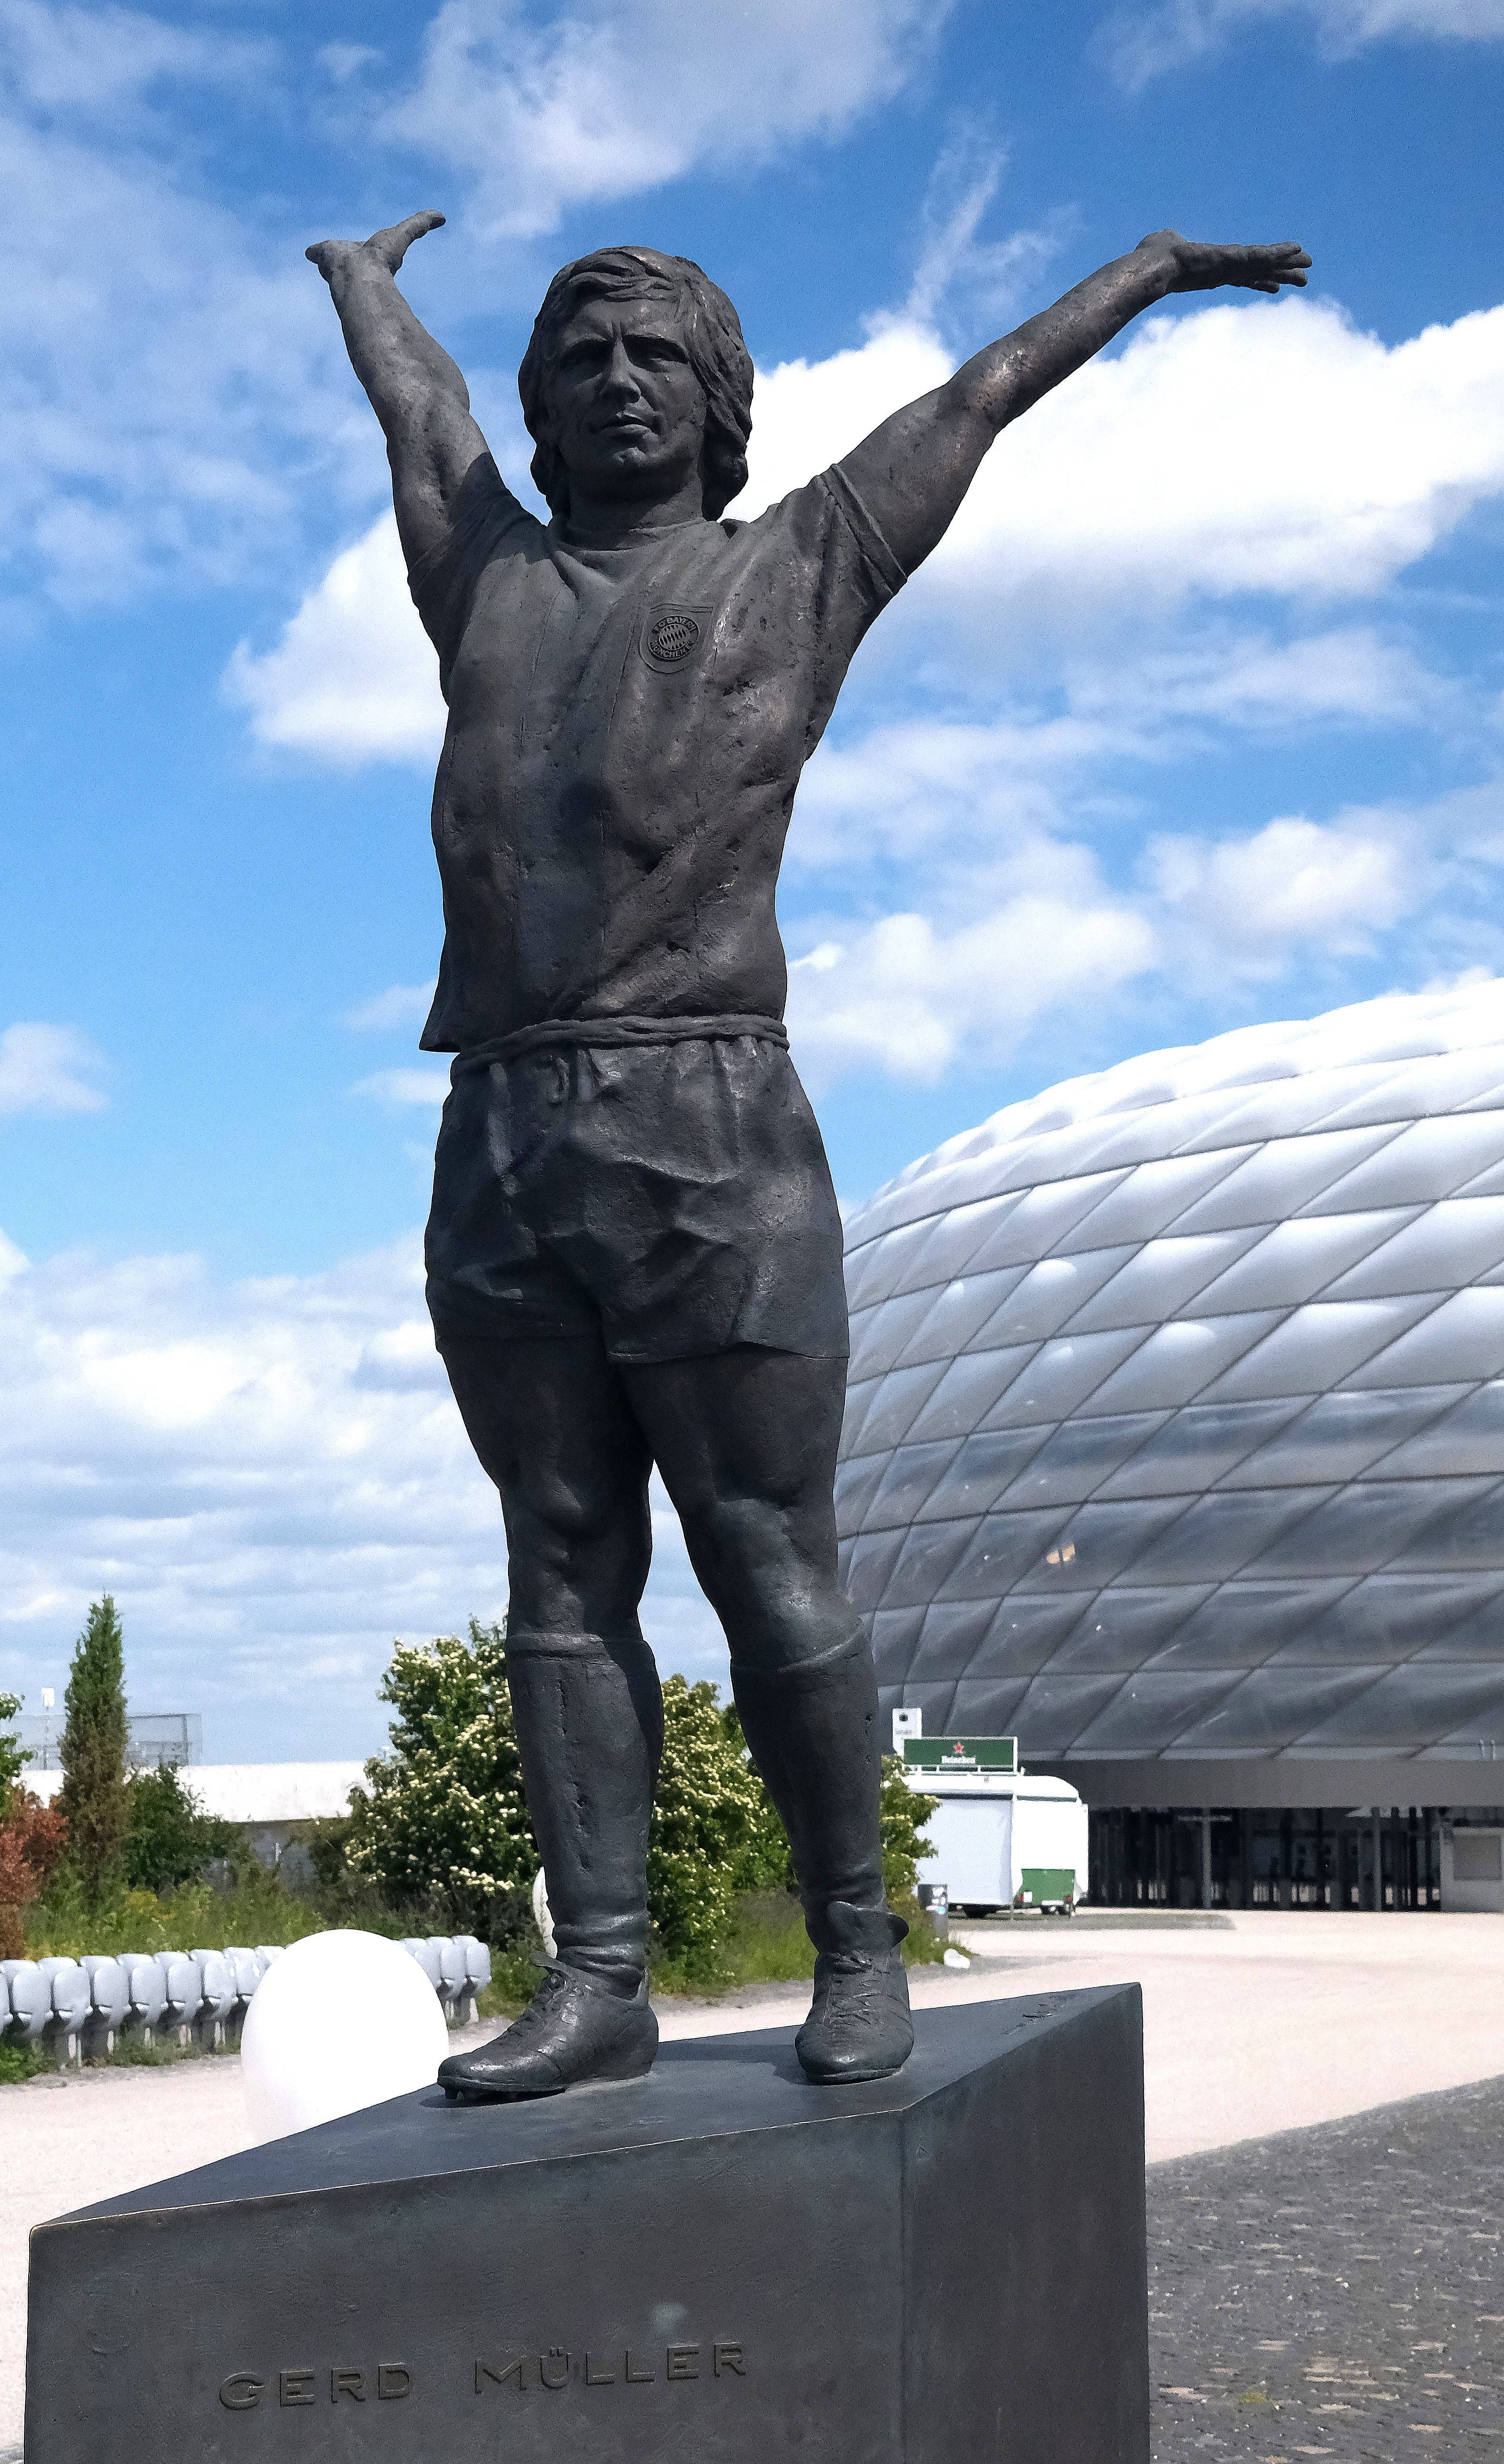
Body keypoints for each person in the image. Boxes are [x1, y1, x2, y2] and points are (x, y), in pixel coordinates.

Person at [308, 211, 1309, 2100]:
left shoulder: (804, 563)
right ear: (542, 408)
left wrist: (1150, 268)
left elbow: (976, 398)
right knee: (558, 1563)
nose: (616, 382)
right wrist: (362, 282)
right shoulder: (485, 577)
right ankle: (601, 1980)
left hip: (713, 1124)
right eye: (582, 359)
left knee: (768, 1553)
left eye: (654, 357)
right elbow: (420, 416)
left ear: (719, 404)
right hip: (503, 1124)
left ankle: (858, 1944)